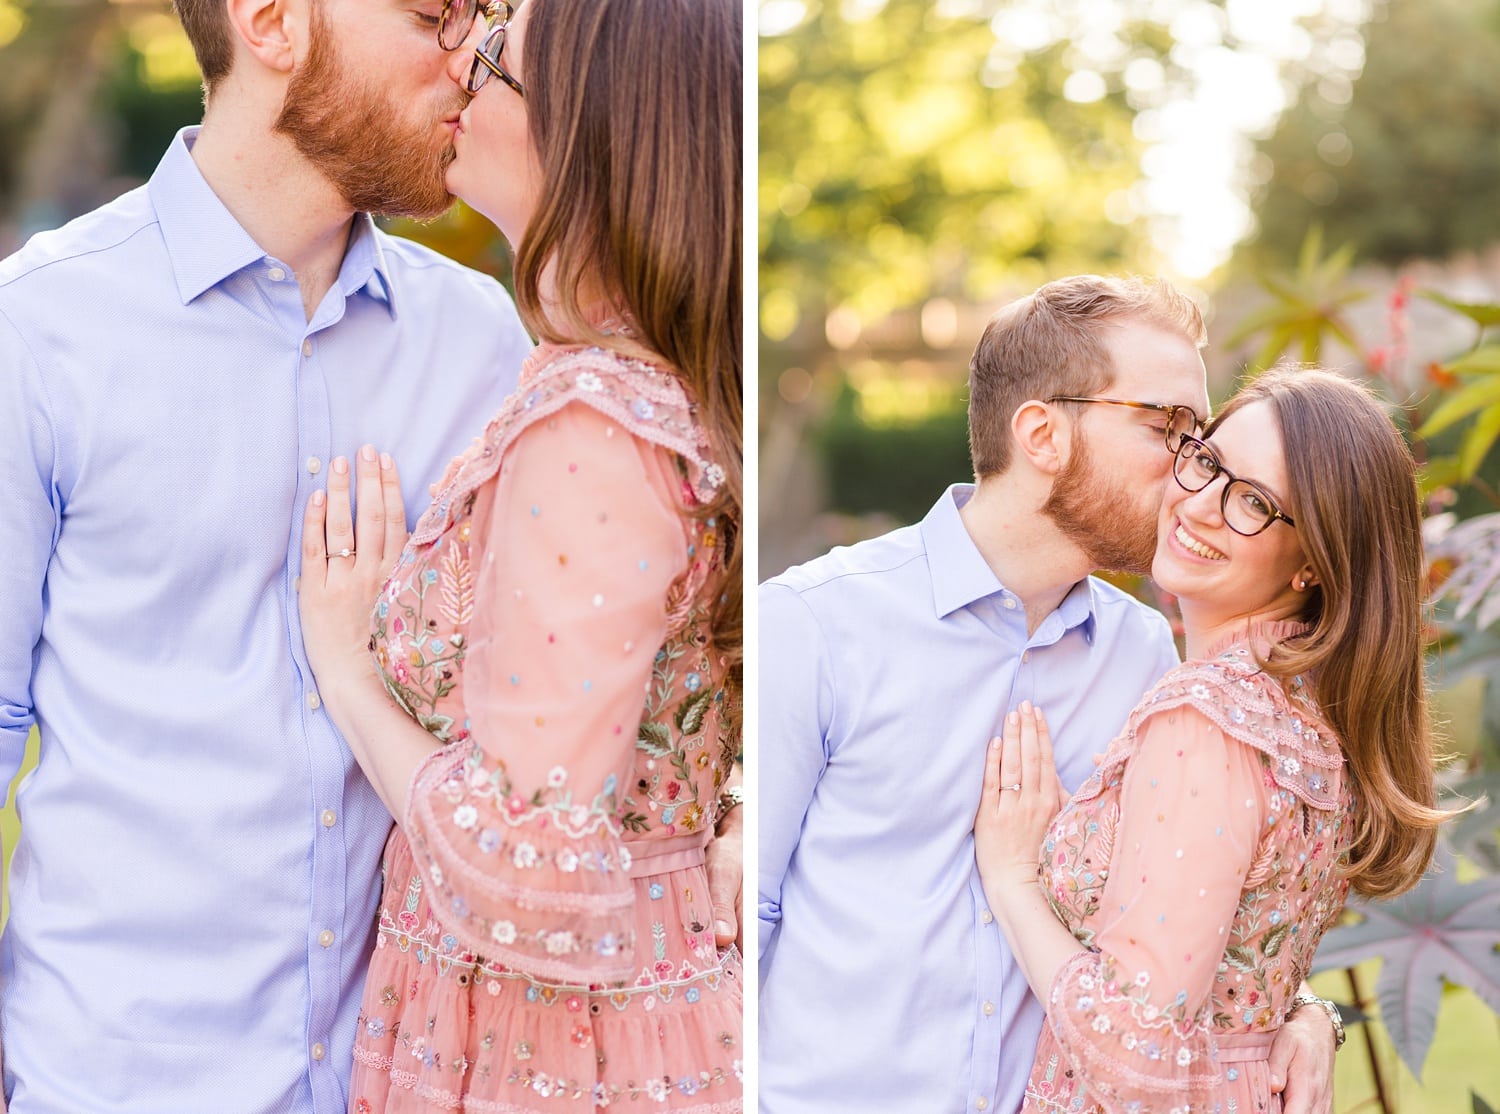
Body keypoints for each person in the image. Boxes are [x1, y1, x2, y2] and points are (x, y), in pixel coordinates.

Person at [0, 2, 539, 1111]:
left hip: (405, 1081)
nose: (471, 57)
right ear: (273, 21)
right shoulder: (39, 334)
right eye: (438, 16)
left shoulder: (485, 344)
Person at [293, 0, 743, 1111]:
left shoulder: (597, 420)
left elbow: (521, 875)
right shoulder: (629, 382)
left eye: (492, 56)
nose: (458, 60)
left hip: (553, 1045)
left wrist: (347, 672)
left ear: (587, 127)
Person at [758, 276, 1340, 1113]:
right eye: (1167, 429)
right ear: (1042, 433)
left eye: (1198, 436)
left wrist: (1306, 1008)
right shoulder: (815, 625)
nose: (1193, 473)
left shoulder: (1146, 656)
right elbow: (742, 922)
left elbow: (1188, 899)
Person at [973, 368, 1451, 1112]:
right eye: (1207, 461)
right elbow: (1240, 965)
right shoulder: (1310, 712)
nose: (1199, 505)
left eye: (1255, 502)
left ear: (1315, 563)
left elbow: (1133, 1056)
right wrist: (1310, 1014)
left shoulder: (1208, 717)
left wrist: (1013, 881)